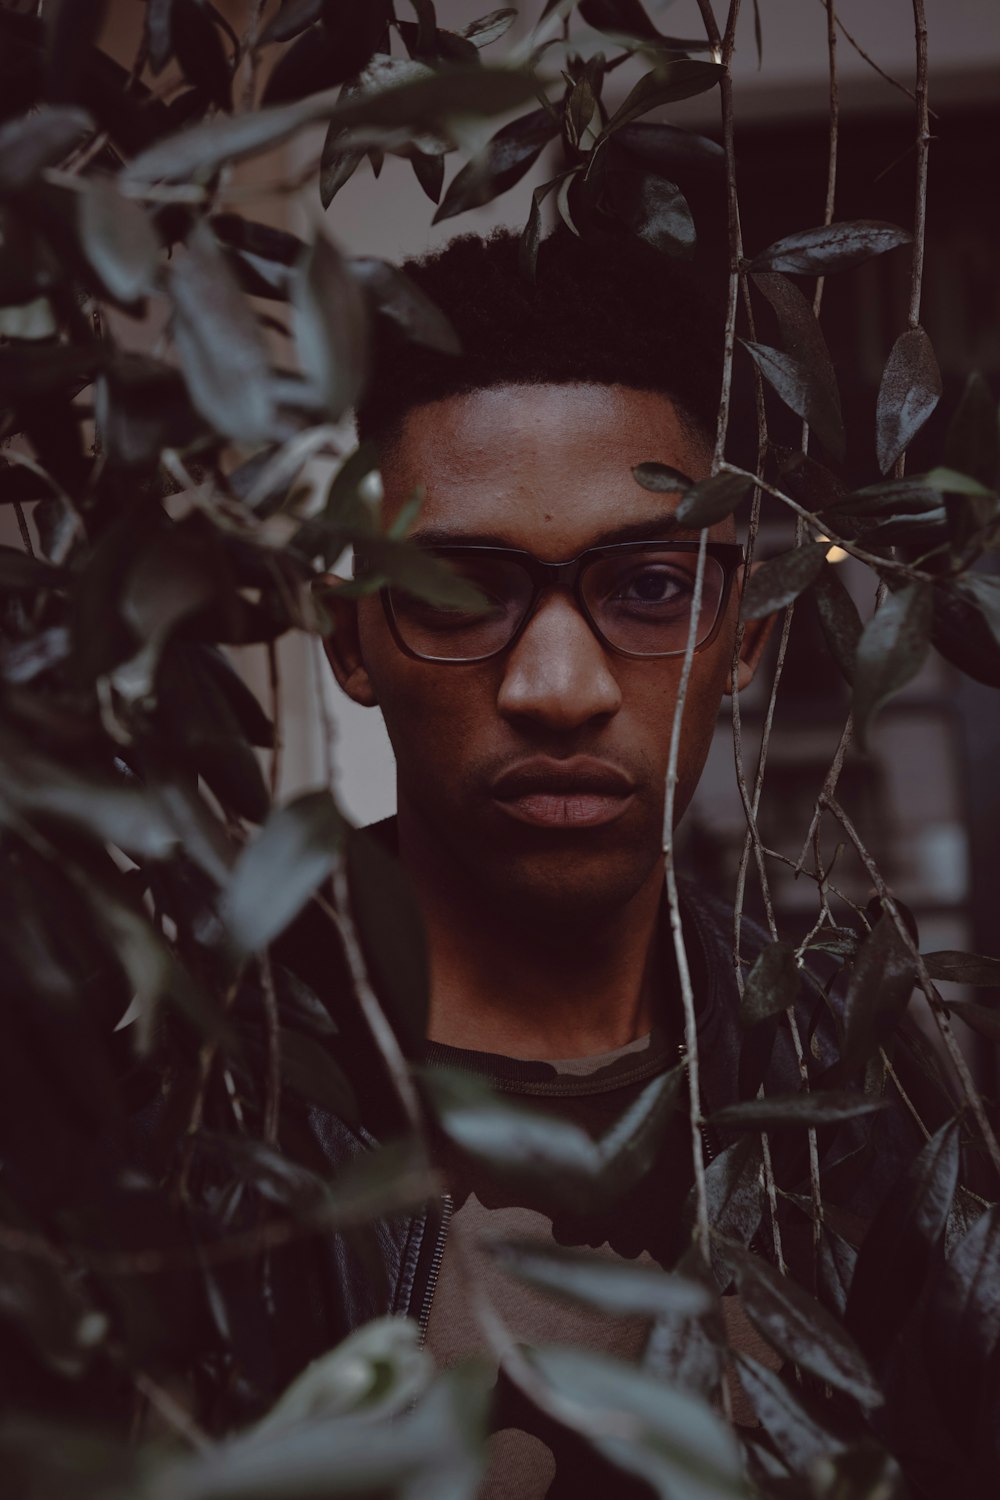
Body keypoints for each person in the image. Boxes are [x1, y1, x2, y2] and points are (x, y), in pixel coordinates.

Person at [288, 228, 933, 1496]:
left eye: (648, 586)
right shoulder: (195, 1092)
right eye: (462, 589)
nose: (559, 687)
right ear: (348, 637)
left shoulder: (859, 1097)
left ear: (742, 634)